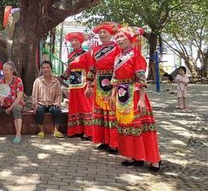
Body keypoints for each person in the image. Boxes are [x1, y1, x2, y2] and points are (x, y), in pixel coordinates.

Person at [112, 27, 161, 172]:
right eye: (117, 37)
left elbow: (141, 79)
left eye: (122, 37)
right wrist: (112, 95)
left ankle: (154, 159)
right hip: (122, 95)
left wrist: (141, 99)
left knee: (141, 127)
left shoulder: (136, 56)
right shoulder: (117, 57)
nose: (119, 40)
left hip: (134, 95)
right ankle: (133, 155)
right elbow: (115, 79)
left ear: (130, 38)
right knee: (125, 127)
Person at [87, 22, 121, 153]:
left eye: (104, 32)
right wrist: (88, 84)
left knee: (111, 112)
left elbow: (118, 67)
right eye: (100, 32)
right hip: (99, 84)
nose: (102, 34)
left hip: (112, 83)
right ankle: (104, 140)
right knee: (100, 112)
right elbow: (92, 68)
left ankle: (114, 143)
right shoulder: (95, 50)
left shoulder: (117, 47)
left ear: (110, 34)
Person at [61, 32, 92, 139]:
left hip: (83, 84)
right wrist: (60, 78)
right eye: (71, 41)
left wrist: (90, 84)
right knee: (74, 106)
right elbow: (69, 70)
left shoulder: (86, 54)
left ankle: (88, 132)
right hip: (73, 85)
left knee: (85, 106)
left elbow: (91, 69)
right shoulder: (70, 55)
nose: (73, 42)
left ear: (80, 42)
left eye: (75, 40)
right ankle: (76, 130)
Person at [32, 60, 64, 139]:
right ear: (41, 70)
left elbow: (59, 94)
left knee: (57, 111)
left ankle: (56, 131)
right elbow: (34, 94)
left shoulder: (56, 81)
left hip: (52, 104)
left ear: (51, 68)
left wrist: (57, 103)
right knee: (39, 111)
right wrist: (35, 104)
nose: (46, 69)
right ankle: (41, 131)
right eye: (43, 68)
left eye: (47, 67)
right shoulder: (38, 81)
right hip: (41, 103)